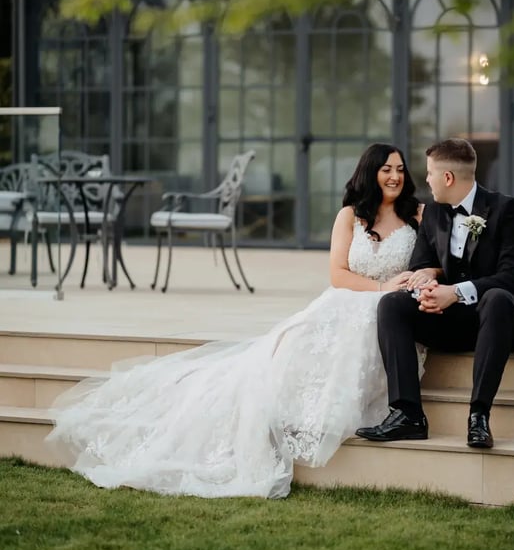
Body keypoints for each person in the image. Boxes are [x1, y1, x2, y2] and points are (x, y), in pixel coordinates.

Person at [47, 144, 424, 499]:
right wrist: (380, 286)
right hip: (349, 299)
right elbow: (338, 274)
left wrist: (417, 280)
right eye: (386, 169)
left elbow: (436, 260)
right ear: (369, 173)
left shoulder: (417, 215)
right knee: (287, 352)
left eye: (400, 169)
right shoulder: (350, 216)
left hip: (391, 309)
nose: (394, 176)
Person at [356, 137, 514, 450]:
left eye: (430, 173)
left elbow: (511, 278)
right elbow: (421, 265)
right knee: (392, 304)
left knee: (497, 298)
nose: (425, 179)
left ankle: (479, 416)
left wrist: (454, 292)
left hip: (499, 323)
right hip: (452, 322)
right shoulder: (432, 214)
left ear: (447, 177)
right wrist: (428, 287)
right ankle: (407, 415)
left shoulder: (506, 210)